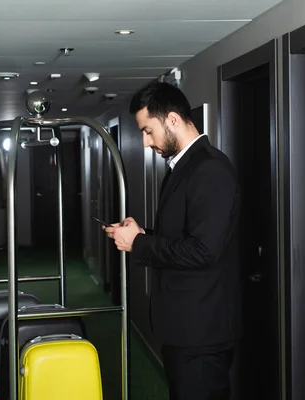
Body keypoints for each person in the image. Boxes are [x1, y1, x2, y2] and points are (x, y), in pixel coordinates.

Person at [104, 82, 241, 400]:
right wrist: (142, 234)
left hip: (202, 332)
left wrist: (138, 244)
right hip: (186, 328)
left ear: (174, 120)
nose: (145, 141)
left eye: (148, 130)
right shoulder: (185, 166)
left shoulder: (209, 169)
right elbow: (185, 237)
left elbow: (203, 251)